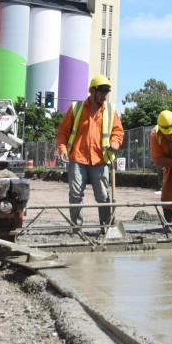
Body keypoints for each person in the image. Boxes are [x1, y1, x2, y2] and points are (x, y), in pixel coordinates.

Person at [55, 74, 124, 229]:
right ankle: (77, 228)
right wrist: (62, 148)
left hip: (100, 160)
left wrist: (115, 141)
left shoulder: (111, 110)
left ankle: (105, 228)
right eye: (101, 92)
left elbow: (118, 131)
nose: (104, 96)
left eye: (106, 93)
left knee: (103, 196)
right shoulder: (76, 108)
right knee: (75, 195)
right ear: (92, 91)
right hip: (77, 159)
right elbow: (62, 132)